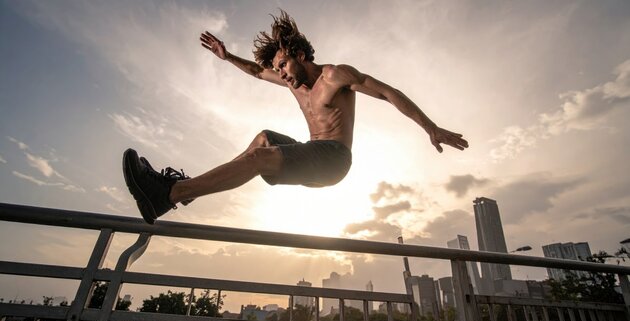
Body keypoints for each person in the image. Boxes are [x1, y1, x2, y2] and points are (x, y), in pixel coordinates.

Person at [123, 10, 468, 224]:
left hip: (334, 160)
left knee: (260, 156)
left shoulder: (334, 76)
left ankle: (170, 193)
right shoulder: (291, 81)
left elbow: (387, 92)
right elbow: (257, 73)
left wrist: (431, 127)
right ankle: (188, 192)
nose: (283, 75)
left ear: (300, 54)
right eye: (279, 69)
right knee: (263, 139)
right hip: (310, 151)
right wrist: (227, 57)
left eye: (284, 66)